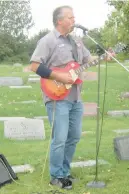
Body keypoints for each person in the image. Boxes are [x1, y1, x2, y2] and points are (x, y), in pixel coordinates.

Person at [29, 5, 94, 190]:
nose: (74, 20)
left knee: (74, 136)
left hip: (76, 97)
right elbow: (35, 66)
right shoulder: (48, 40)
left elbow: (88, 60)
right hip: (57, 97)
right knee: (59, 138)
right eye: (70, 17)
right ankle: (56, 176)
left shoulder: (77, 41)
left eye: (74, 17)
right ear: (60, 21)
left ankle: (65, 172)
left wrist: (104, 57)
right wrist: (59, 76)